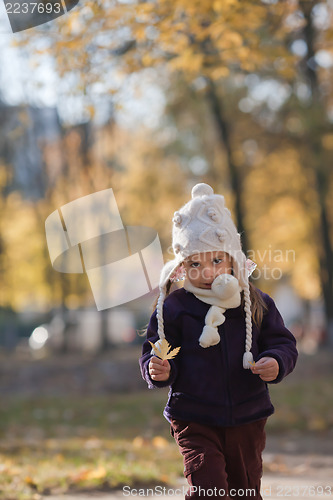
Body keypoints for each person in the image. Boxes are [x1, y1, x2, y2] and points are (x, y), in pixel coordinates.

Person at [139, 183, 298, 499]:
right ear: (182, 266)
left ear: (232, 261)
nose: (206, 272)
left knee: (244, 491)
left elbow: (283, 342)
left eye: (215, 261)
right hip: (193, 416)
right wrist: (157, 368)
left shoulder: (255, 301)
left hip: (247, 415)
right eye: (195, 264)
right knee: (210, 489)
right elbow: (155, 348)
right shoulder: (174, 306)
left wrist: (276, 361)